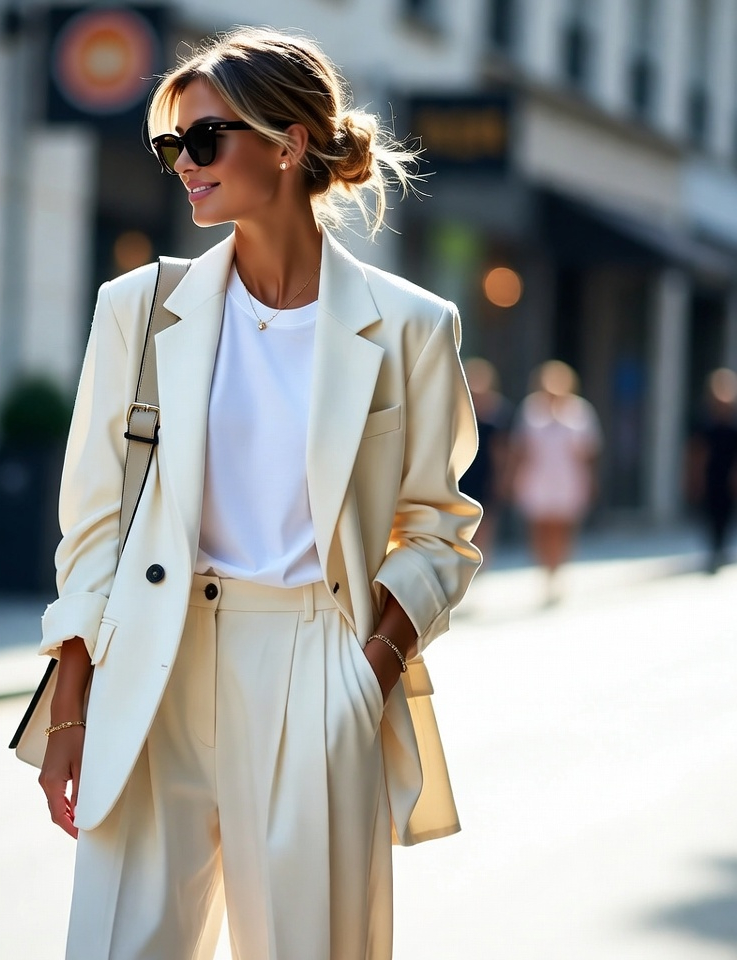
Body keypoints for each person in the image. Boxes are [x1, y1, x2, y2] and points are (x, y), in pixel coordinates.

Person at [35, 27, 481, 960]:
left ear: (286, 144)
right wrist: (70, 704)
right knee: (121, 944)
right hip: (150, 666)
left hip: (316, 663)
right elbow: (93, 528)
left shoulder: (409, 326)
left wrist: (375, 665)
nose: (184, 165)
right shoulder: (139, 309)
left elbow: (441, 530)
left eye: (204, 140)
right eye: (173, 147)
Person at [506, 359, 601, 600]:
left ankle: (558, 570)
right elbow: (520, 448)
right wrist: (511, 477)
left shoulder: (580, 411)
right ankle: (545, 571)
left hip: (567, 478)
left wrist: (591, 480)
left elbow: (589, 452)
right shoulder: (530, 409)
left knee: (562, 526)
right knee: (540, 526)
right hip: (537, 477)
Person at [461, 357, 511, 563]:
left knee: (486, 519)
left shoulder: (499, 410)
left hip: (486, 471)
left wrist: (502, 477)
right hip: (463, 470)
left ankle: (482, 562)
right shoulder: (458, 408)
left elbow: (502, 448)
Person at [687, 367, 737, 573]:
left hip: (728, 475)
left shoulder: (733, 423)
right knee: (710, 514)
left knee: (726, 513)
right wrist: (694, 476)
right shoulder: (704, 421)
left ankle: (721, 548)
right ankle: (714, 549)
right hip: (711, 475)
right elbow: (696, 450)